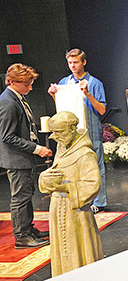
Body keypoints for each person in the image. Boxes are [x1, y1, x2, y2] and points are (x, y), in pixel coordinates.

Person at [39, 111, 103, 276]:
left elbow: (92, 184)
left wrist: (64, 188)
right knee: (63, 251)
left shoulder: (84, 153)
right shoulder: (62, 148)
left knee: (80, 250)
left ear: (73, 128)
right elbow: (55, 173)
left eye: (60, 132)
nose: (55, 136)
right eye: (54, 131)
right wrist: (44, 178)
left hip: (76, 212)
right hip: (58, 209)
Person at [48, 48, 107, 214]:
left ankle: (99, 201)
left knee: (96, 165)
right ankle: (80, 198)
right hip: (72, 134)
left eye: (76, 62)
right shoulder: (65, 83)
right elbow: (62, 109)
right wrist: (54, 95)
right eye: (70, 63)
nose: (73, 66)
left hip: (91, 130)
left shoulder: (94, 83)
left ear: (84, 62)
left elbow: (101, 109)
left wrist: (87, 92)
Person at [0, 63, 52, 248]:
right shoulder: (7, 102)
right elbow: (7, 136)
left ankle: (28, 229)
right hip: (16, 159)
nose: (30, 88)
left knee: (26, 195)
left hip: (22, 158)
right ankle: (22, 236)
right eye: (27, 84)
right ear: (12, 82)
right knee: (20, 198)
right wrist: (37, 149)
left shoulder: (17, 97)